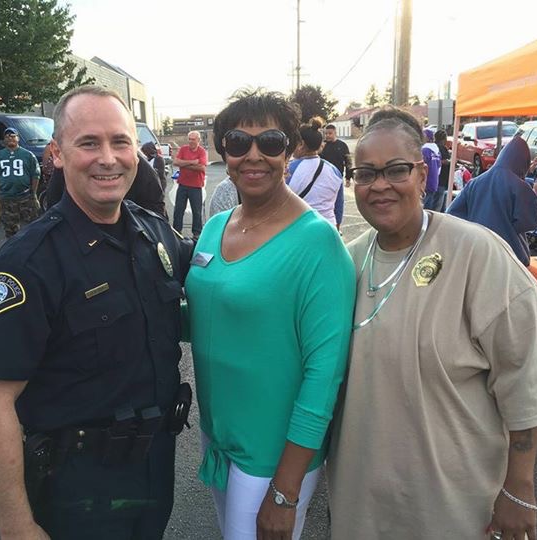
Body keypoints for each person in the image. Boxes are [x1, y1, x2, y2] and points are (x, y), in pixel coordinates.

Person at [325, 106, 537, 540]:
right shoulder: (346, 260)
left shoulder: (476, 253)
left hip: (454, 509)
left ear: (423, 176)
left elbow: (528, 373)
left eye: (396, 170)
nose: (380, 185)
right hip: (361, 506)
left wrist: (519, 488)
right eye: (366, 174)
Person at [0, 86, 194, 540]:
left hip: (154, 465)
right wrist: (16, 525)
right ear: (57, 153)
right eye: (89, 143)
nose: (107, 157)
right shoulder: (26, 265)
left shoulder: (156, 236)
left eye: (120, 141)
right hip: (77, 482)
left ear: (137, 150)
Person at [185, 90, 355, 540]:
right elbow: (203, 317)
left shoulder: (318, 242)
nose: (253, 155)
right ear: (224, 152)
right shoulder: (217, 226)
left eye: (271, 142)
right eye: (239, 143)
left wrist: (286, 489)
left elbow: (324, 376)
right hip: (218, 437)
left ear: (292, 149)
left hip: (271, 453)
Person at [447, 136, 537, 266]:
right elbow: (530, 222)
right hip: (510, 256)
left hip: (477, 252)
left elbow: (452, 214)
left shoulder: (474, 183)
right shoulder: (520, 186)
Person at [45, 149, 167, 218]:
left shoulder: (143, 171)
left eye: (119, 142)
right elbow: (54, 207)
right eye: (89, 144)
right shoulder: (64, 170)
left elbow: (157, 213)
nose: (108, 160)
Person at [287, 116, 344, 229]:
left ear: (301, 144)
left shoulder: (288, 169)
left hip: (299, 230)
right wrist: (337, 227)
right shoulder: (334, 170)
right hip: (328, 228)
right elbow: (339, 205)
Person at [0, 127, 41, 238]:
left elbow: (35, 174)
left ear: (18, 138)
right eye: (7, 136)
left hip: (25, 196)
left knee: (32, 226)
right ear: (3, 140)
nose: (10, 138)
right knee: (10, 230)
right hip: (7, 197)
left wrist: (33, 193)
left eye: (13, 136)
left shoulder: (28, 155)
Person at [172, 130, 207, 239]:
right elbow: (176, 162)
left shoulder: (202, 152)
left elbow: (202, 167)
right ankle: (176, 232)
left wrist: (184, 164)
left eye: (193, 139)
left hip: (196, 186)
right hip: (182, 185)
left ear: (199, 140)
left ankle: (196, 234)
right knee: (178, 210)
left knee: (196, 212)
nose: (191, 141)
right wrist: (193, 162)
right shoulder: (183, 149)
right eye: (190, 139)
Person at [421, 127, 442, 211]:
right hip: (434, 182)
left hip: (425, 182)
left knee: (422, 208)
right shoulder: (436, 150)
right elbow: (439, 167)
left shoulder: (424, 150)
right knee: (429, 209)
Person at [434, 130, 451, 211]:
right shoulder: (439, 148)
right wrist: (448, 162)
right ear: (443, 139)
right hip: (441, 179)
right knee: (438, 204)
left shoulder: (438, 147)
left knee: (443, 203)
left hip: (442, 179)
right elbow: (439, 160)